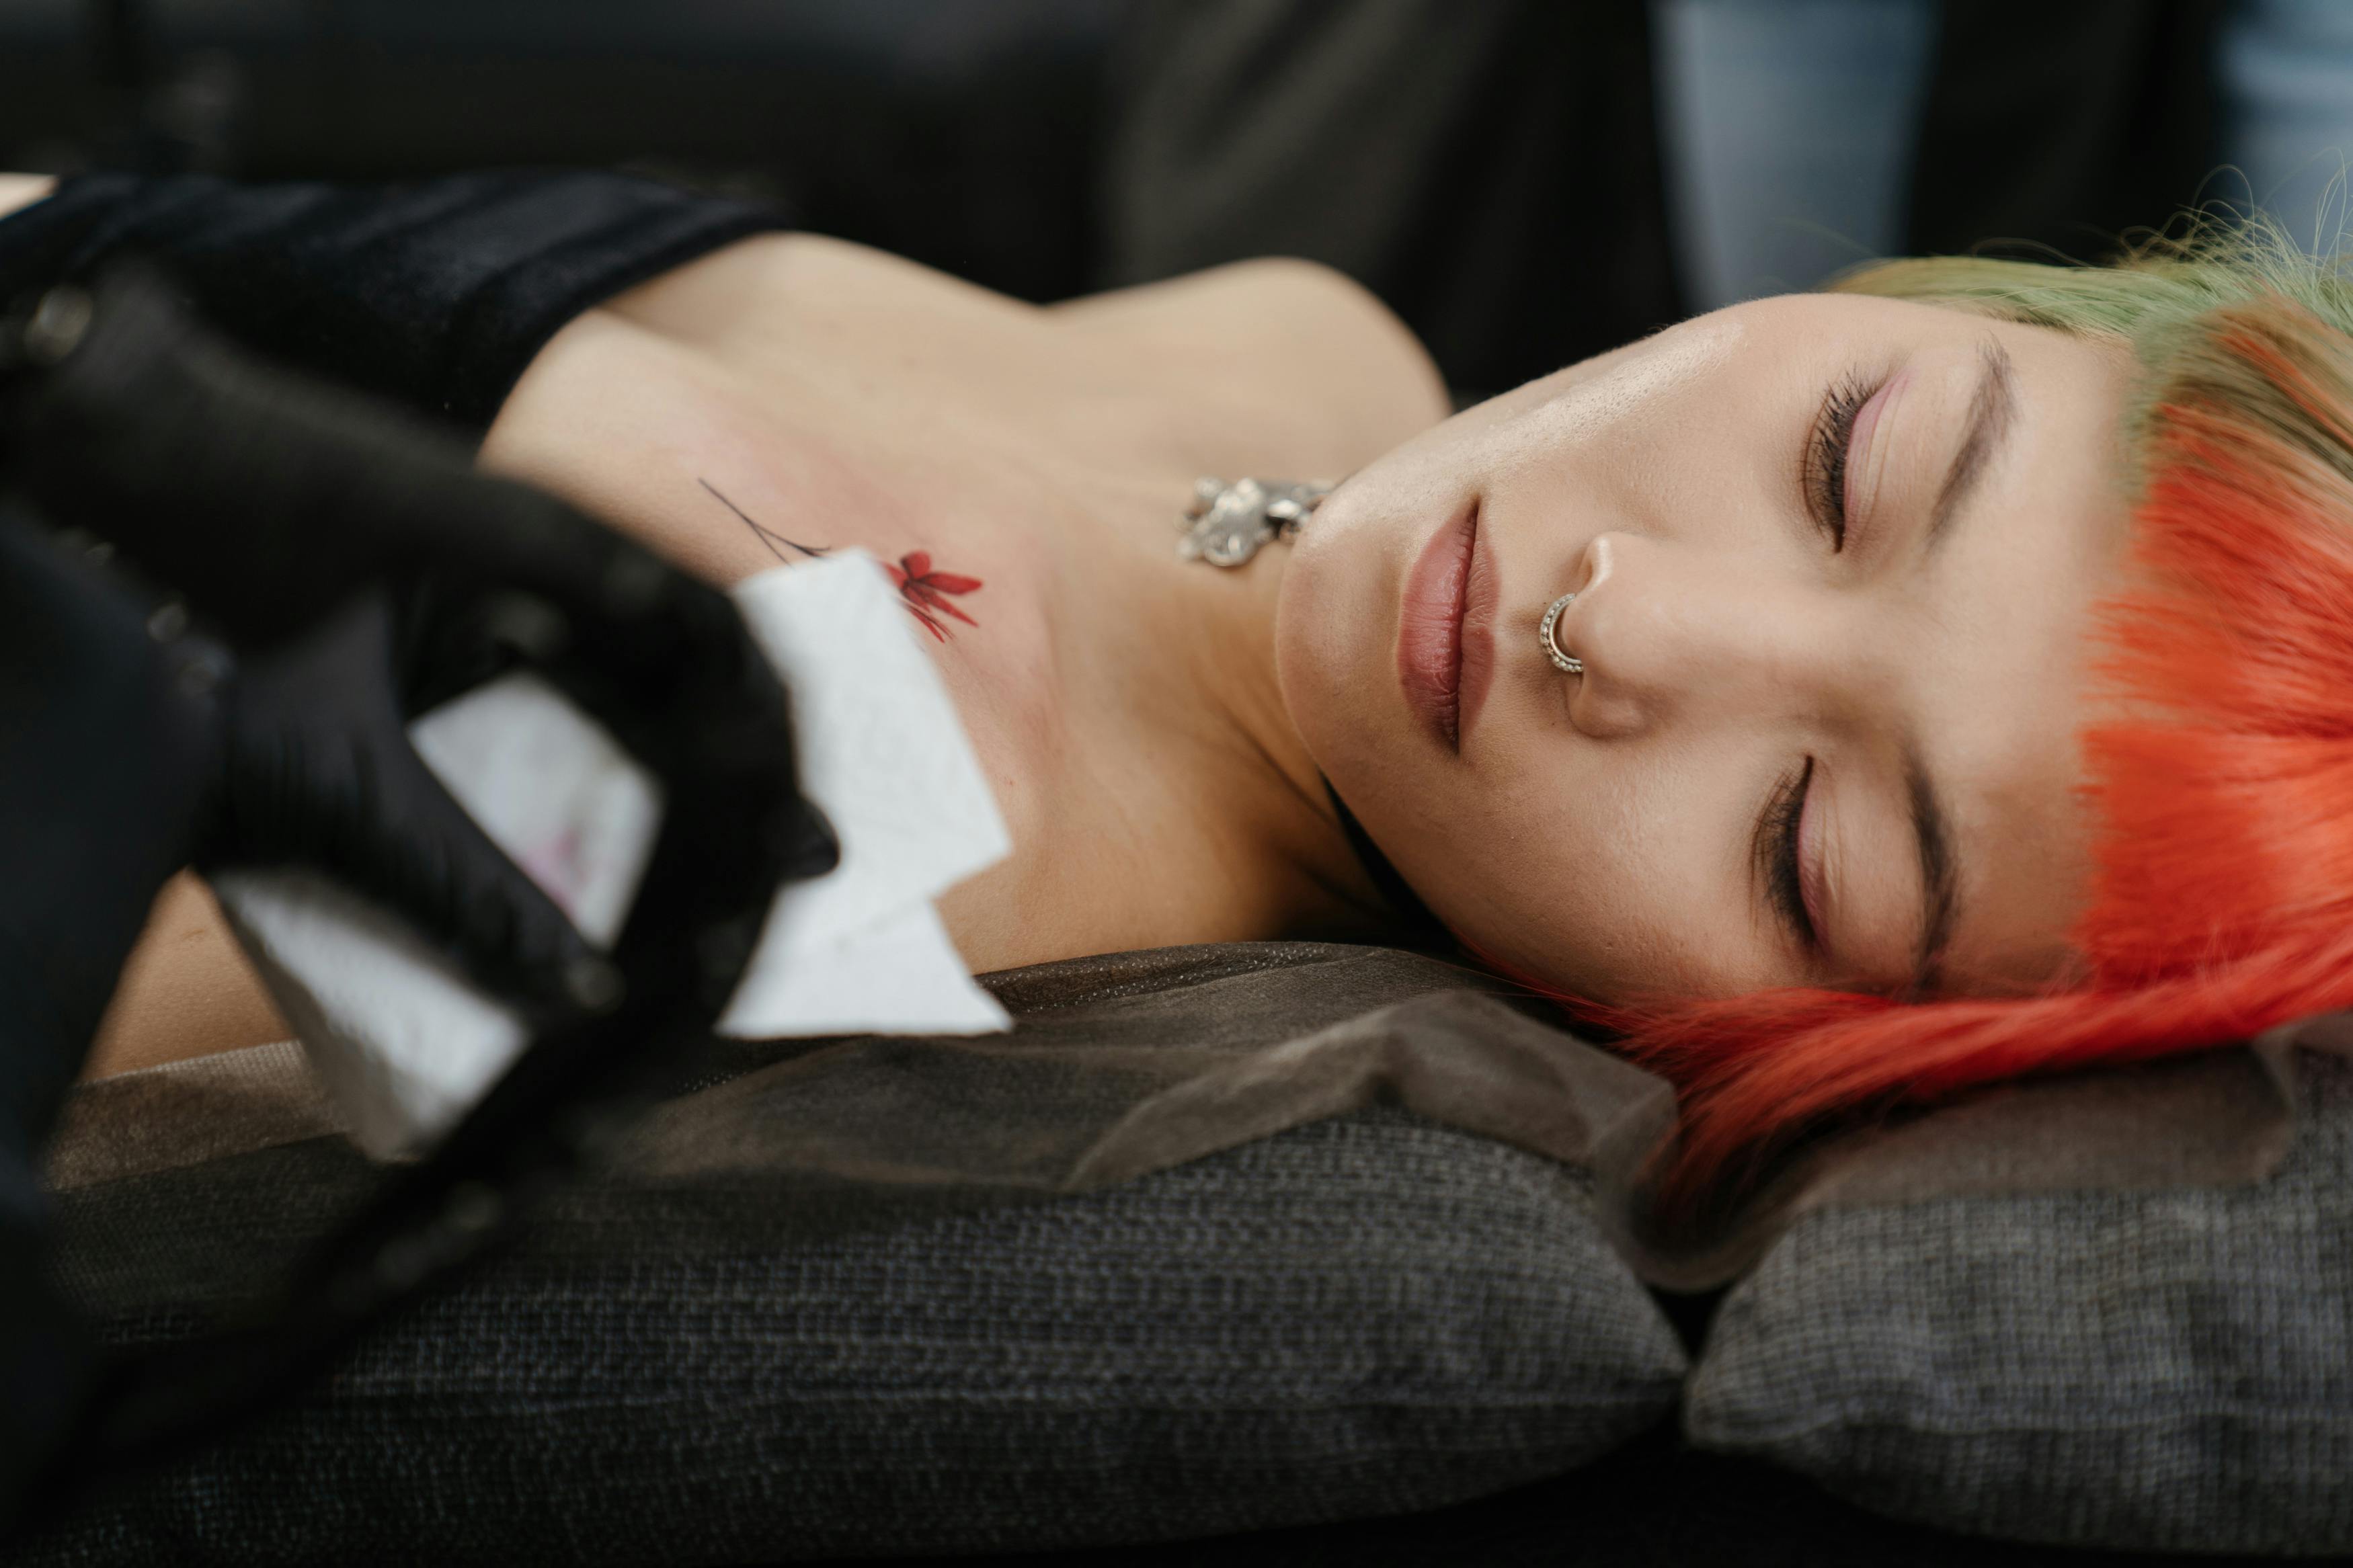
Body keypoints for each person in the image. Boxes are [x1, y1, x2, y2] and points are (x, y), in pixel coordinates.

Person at [3, 167, 2350, 1211]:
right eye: (1850, 459)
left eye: (1802, 845)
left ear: (1784, 1058)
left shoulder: (872, 835)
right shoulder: (1324, 355)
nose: (1619, 625)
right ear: (1955, 299)